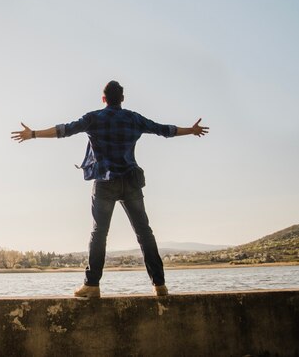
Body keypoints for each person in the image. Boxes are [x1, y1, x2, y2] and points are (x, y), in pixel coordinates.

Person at [11, 80, 208, 298]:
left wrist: (34, 134)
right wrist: (191, 130)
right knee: (144, 233)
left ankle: (92, 285)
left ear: (104, 99)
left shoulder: (94, 118)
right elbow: (164, 130)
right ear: (122, 99)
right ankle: (159, 285)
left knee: (99, 233)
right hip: (131, 181)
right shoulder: (134, 118)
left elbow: (64, 130)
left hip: (105, 182)